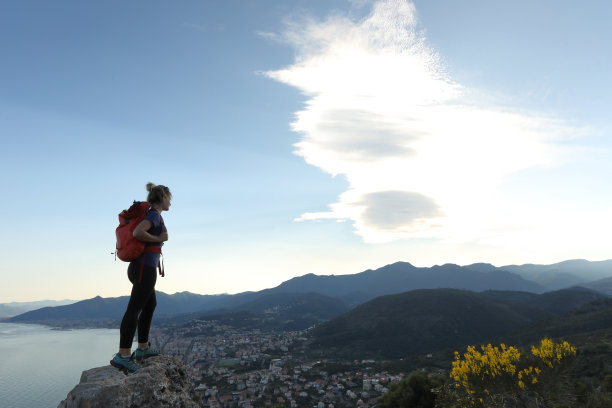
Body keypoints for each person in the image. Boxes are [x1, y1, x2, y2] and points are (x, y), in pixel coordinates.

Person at [111, 182, 171, 372]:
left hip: (141, 267)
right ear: (162, 198)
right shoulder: (153, 215)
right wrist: (160, 238)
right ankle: (124, 354)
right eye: (169, 197)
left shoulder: (153, 215)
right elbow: (138, 232)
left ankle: (143, 347)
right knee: (134, 309)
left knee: (150, 304)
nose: (171, 201)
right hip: (144, 268)